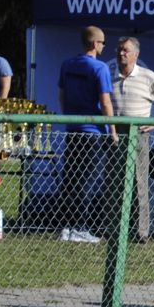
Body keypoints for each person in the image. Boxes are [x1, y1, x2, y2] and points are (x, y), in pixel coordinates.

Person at [109, 37, 154, 242]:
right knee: (113, 181)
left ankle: (141, 231)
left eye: (126, 50)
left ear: (136, 55)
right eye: (119, 50)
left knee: (139, 182)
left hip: (138, 134)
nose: (121, 53)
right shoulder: (108, 74)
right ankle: (113, 228)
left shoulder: (148, 77)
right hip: (114, 133)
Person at [56, 25, 115, 240]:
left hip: (73, 128)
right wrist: (112, 130)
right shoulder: (100, 68)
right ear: (94, 43)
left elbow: (61, 94)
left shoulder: (67, 64)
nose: (104, 47)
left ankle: (67, 226)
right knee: (87, 181)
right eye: (103, 42)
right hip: (93, 132)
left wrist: (69, 116)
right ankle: (80, 228)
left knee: (71, 179)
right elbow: (105, 102)